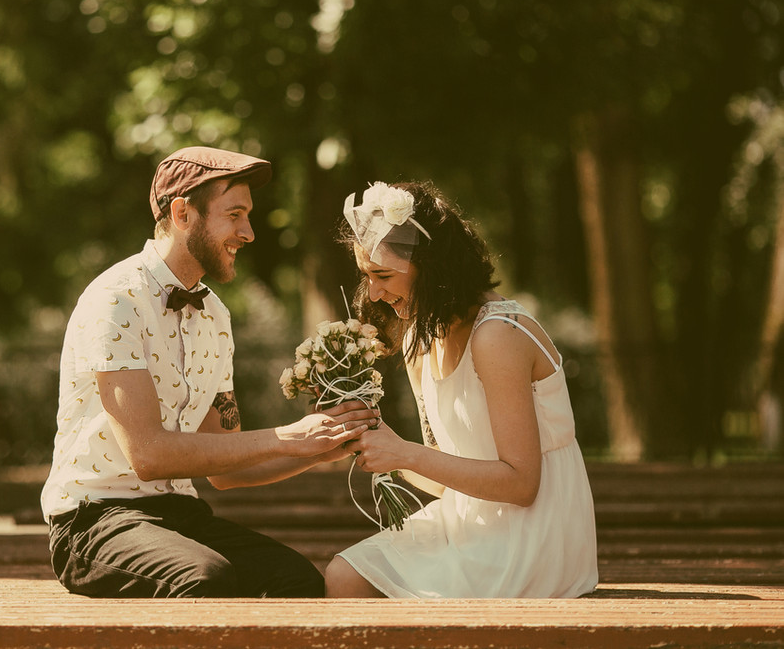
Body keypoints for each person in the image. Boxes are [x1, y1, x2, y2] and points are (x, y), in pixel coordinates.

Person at [41, 146, 376, 598]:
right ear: (182, 213)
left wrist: (321, 448)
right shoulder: (116, 301)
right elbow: (149, 454)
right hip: (93, 520)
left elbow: (225, 467)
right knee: (204, 579)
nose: (249, 233)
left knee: (297, 581)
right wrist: (288, 436)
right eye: (234, 215)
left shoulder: (215, 315)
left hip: (179, 516)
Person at [325, 180, 599, 598]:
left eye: (383, 275)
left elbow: (521, 485)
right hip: (470, 519)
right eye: (367, 276)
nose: (375, 292)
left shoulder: (498, 334)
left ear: (433, 267)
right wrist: (376, 444)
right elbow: (443, 481)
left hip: (532, 535)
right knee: (344, 575)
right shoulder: (422, 334)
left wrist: (405, 453)